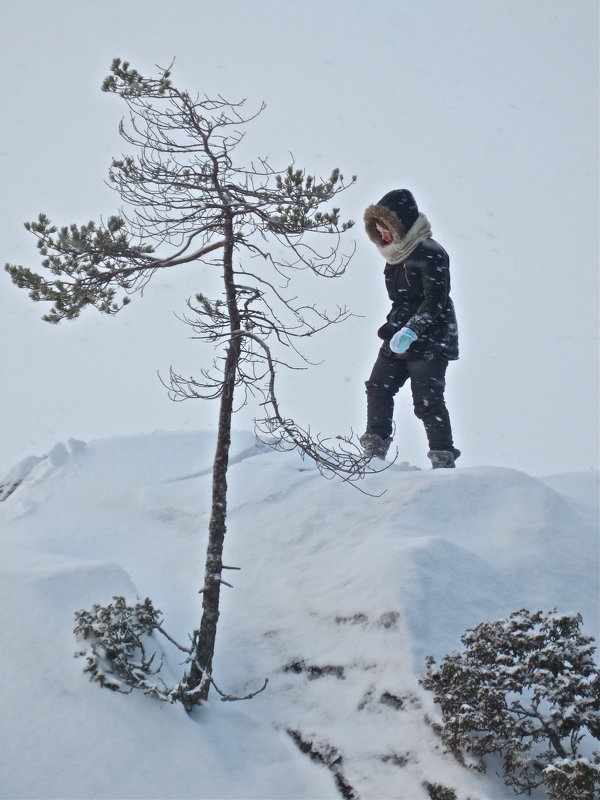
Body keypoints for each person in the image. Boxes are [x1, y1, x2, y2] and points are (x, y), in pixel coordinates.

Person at [360, 189, 460, 469]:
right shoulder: (395, 256)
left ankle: (443, 461)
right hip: (399, 333)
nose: (381, 231)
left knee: (427, 402)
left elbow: (436, 300)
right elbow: (401, 300)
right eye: (377, 226)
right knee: (378, 387)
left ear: (400, 223)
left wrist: (413, 330)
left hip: (432, 338)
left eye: (385, 225)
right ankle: (373, 455)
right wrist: (397, 330)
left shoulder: (431, 252)